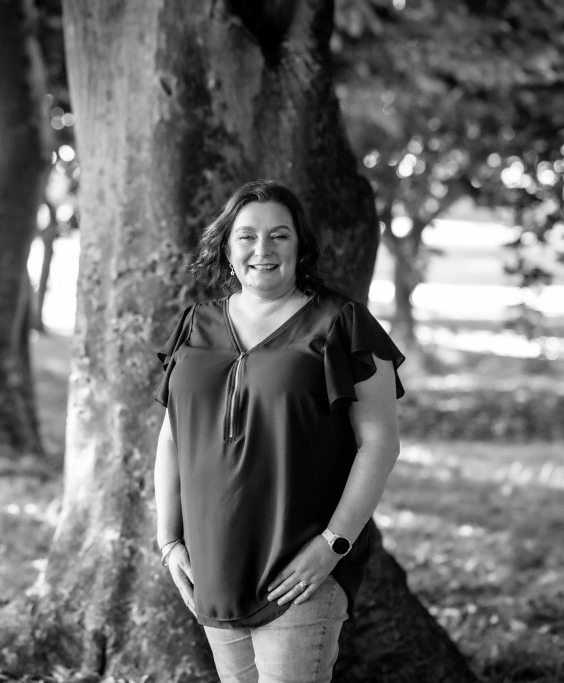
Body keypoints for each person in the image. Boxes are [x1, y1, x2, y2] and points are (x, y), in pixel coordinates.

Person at [153, 179, 404, 682]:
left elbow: (380, 443)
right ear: (227, 248)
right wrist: (168, 541)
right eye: (246, 236)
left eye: (279, 235)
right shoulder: (195, 325)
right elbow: (172, 437)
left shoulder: (342, 324)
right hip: (212, 570)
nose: (262, 249)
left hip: (300, 572)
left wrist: (333, 544)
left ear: (300, 246)